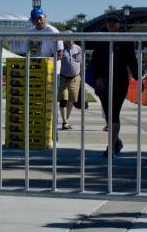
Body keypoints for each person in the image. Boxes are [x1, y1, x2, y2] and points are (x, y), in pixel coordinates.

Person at [89, 15, 139, 156]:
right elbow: (95, 59)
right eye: (109, 21)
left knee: (114, 113)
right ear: (106, 24)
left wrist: (138, 77)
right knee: (109, 114)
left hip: (120, 81)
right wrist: (97, 78)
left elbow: (131, 59)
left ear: (120, 24)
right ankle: (116, 142)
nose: (111, 23)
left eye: (115, 21)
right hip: (103, 81)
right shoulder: (101, 39)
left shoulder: (125, 39)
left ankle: (111, 147)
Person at [57, 39, 82, 129]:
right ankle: (64, 121)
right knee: (63, 99)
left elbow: (80, 63)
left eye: (71, 37)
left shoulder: (78, 48)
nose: (70, 39)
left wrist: (82, 76)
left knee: (71, 100)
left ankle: (66, 121)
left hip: (75, 78)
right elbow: (57, 59)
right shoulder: (61, 49)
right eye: (67, 37)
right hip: (64, 78)